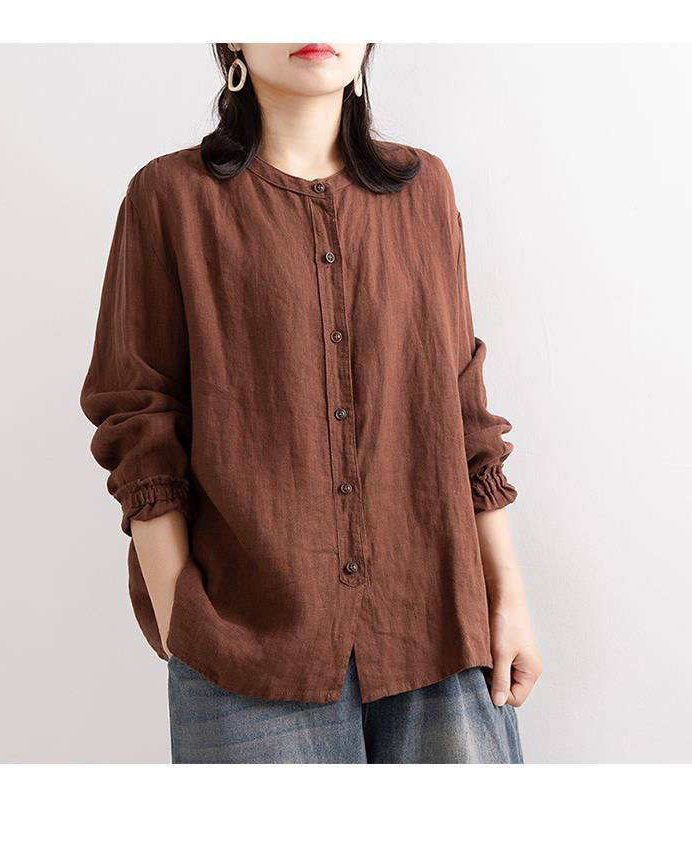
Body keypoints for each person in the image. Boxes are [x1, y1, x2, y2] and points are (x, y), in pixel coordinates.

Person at [80, 43, 542, 764]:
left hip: (440, 628)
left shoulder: (424, 191)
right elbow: (138, 413)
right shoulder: (169, 197)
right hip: (247, 648)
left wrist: (505, 595)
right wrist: (181, 616)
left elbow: (461, 409)